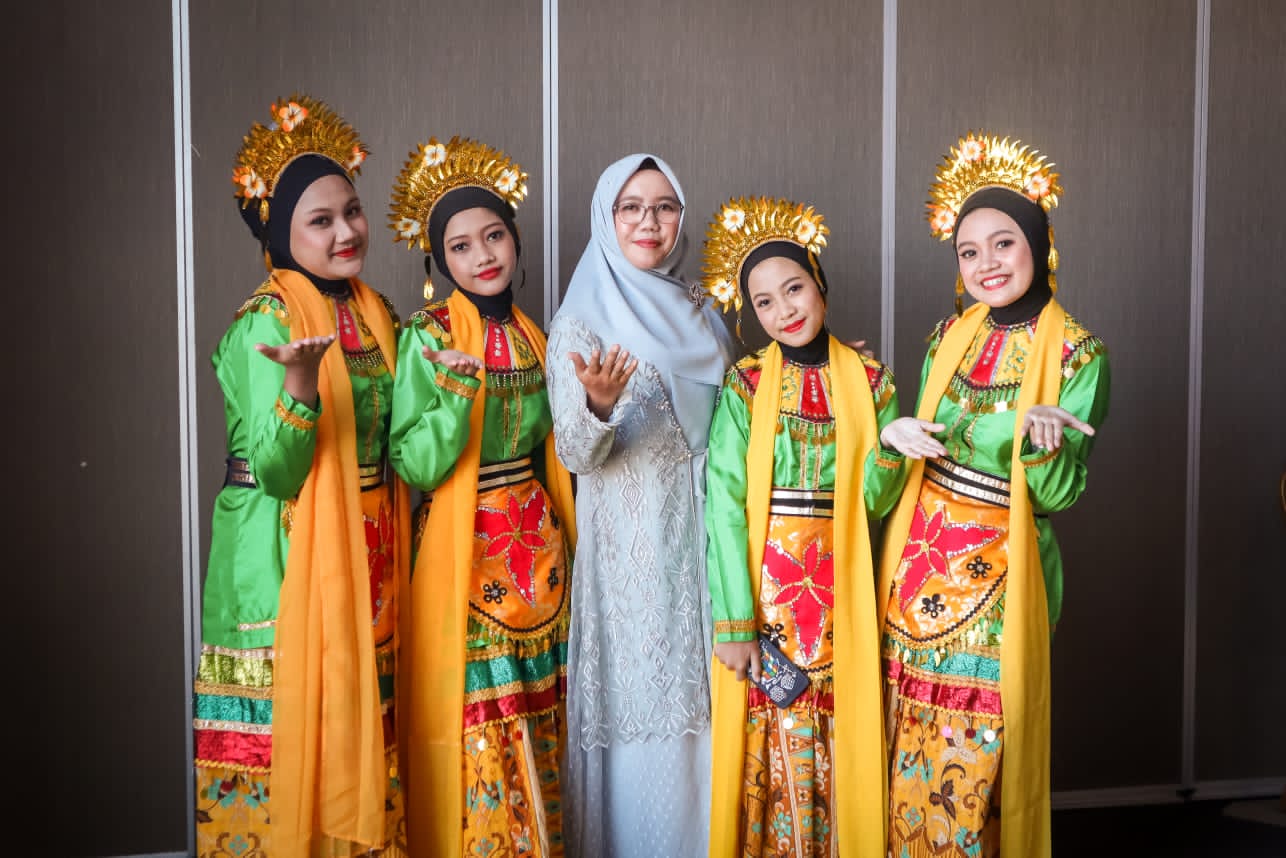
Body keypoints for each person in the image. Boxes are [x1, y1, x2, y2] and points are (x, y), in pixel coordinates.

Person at [876, 132, 1110, 858]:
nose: (987, 265)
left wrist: (1044, 443)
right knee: (902, 743)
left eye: (1004, 243)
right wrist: (892, 435)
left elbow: (1059, 496)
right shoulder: (949, 335)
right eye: (968, 252)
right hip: (917, 564)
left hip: (999, 576)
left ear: (1039, 244)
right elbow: (926, 444)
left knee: (973, 754)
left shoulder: (1077, 354)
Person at [193, 94, 409, 858]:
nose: (347, 232)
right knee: (294, 746)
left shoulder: (375, 312)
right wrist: (300, 385)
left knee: (362, 731)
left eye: (352, 211)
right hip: (284, 556)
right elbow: (279, 473)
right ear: (280, 234)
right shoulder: (267, 321)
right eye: (321, 221)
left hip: (367, 553)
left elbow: (398, 442)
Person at [387, 136, 577, 858]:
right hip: (465, 555)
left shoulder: (537, 337)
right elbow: (415, 464)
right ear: (439, 263)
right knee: (485, 718)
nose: (482, 256)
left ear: (515, 239)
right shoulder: (426, 337)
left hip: (541, 556)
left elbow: (557, 447)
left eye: (493, 236)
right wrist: (457, 392)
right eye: (460, 247)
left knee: (543, 710)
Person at [700, 196, 907, 858]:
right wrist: (735, 622)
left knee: (841, 733)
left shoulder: (872, 382)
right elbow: (723, 501)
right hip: (766, 595)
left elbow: (877, 503)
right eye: (763, 302)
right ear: (749, 314)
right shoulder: (745, 385)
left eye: (793, 288)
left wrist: (891, 452)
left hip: (844, 586)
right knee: (771, 736)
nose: (784, 310)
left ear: (820, 283)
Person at [546, 153, 736, 856]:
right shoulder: (581, 323)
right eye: (630, 207)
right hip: (637, 567)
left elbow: (743, 416)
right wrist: (597, 406)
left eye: (664, 206)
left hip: (715, 551)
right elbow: (574, 452)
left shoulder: (703, 311)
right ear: (607, 217)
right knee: (649, 727)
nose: (649, 221)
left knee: (717, 722)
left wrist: (808, 363)